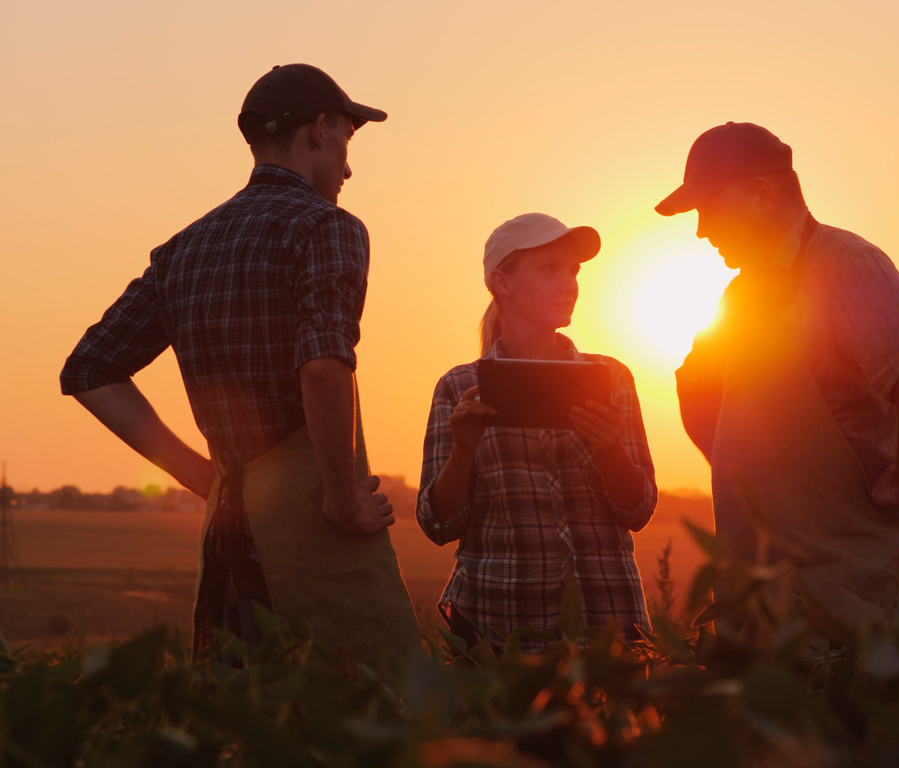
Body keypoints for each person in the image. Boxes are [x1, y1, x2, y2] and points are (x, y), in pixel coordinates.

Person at [60, 64, 421, 667]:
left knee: (242, 728)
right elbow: (324, 369)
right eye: (346, 142)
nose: (349, 167)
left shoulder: (183, 248)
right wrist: (340, 497)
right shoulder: (326, 226)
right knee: (357, 718)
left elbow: (89, 369)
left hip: (228, 538)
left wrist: (202, 475)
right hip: (314, 540)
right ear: (319, 129)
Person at [656, 122, 899, 634]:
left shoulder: (848, 268)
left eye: (708, 208)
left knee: (843, 709)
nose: (702, 231)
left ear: (762, 194)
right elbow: (695, 387)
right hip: (752, 587)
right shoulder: (741, 295)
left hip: (842, 585)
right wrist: (739, 471)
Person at [416, 213, 658, 651]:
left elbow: (638, 509)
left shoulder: (612, 378)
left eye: (573, 270)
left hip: (607, 627)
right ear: (502, 283)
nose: (570, 283)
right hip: (497, 630)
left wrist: (608, 450)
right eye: (551, 269)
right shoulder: (457, 388)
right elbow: (437, 524)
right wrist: (463, 450)